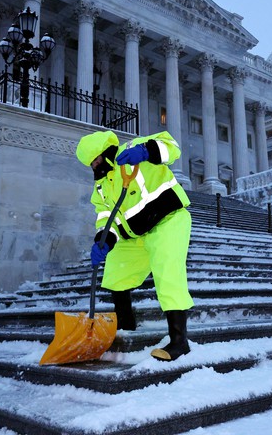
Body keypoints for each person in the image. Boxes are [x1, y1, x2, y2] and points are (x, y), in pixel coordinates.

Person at [75, 130, 194, 362]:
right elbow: (105, 216)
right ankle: (126, 328)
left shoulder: (135, 148)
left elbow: (173, 148)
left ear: (105, 153)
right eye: (90, 164)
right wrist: (104, 241)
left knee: (167, 270)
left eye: (95, 160)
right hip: (134, 235)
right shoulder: (101, 187)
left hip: (167, 220)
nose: (94, 167)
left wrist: (148, 151)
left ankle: (179, 342)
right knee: (115, 273)